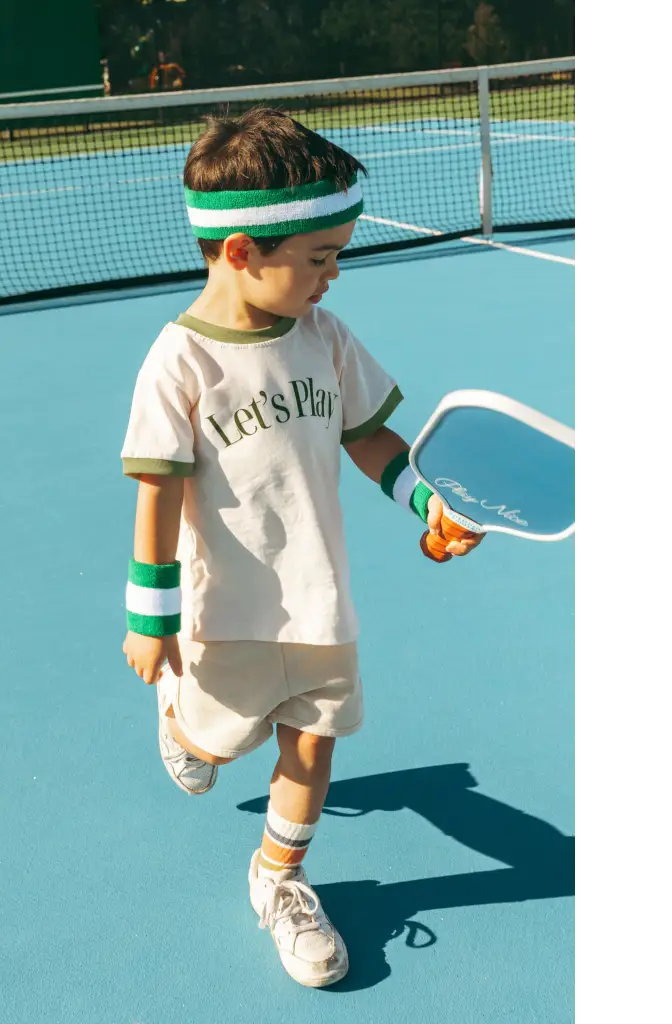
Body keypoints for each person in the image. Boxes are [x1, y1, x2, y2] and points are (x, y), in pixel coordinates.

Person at [119, 107, 482, 988]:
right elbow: (158, 492)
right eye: (319, 258)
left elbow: (370, 439)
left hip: (320, 603)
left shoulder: (326, 338)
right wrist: (150, 622)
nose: (332, 276)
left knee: (311, 749)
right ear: (242, 252)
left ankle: (278, 879)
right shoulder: (180, 363)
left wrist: (425, 501)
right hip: (224, 615)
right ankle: (179, 714)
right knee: (216, 748)